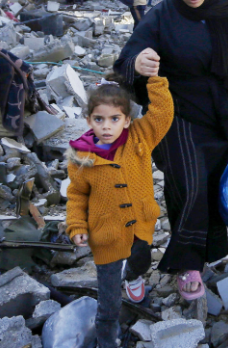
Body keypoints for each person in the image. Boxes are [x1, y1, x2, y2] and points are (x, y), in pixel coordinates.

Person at [112, 0, 228, 301]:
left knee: (212, 184)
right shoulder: (161, 16)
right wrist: (139, 63)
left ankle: (207, 252)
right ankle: (188, 264)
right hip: (176, 114)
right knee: (189, 184)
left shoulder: (227, 12)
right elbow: (127, 57)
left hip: (222, 116)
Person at [66, 74, 174, 348]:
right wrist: (77, 226)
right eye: (99, 119)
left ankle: (135, 278)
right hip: (107, 236)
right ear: (89, 120)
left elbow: (163, 114)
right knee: (108, 300)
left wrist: (155, 79)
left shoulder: (140, 137)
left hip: (140, 225)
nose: (106, 126)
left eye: (115, 119)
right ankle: (107, 339)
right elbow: (77, 195)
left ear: (127, 120)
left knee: (140, 259)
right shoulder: (81, 157)